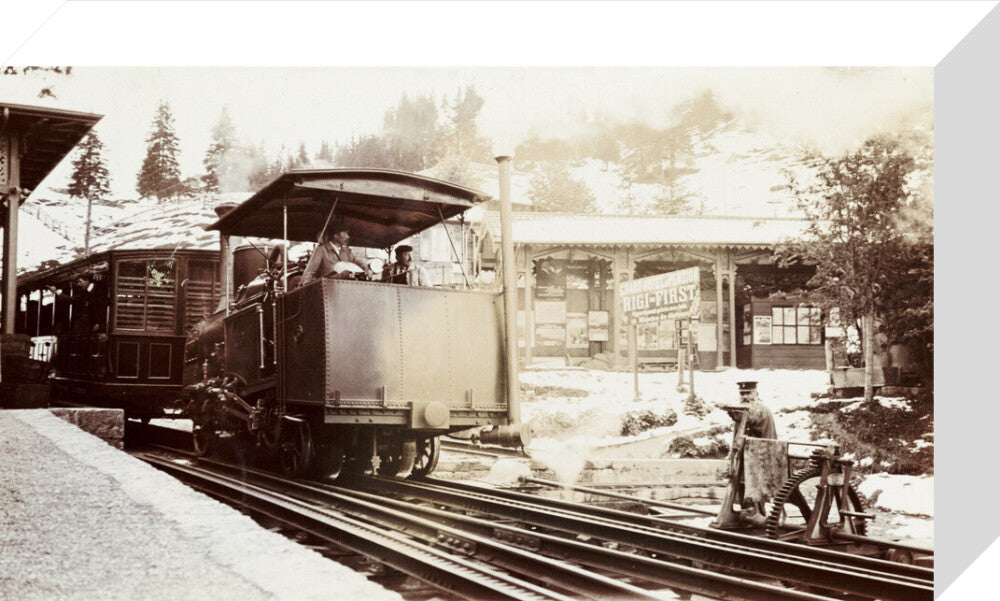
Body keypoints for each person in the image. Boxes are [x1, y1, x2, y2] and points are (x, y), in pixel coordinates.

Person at [299, 226, 369, 286]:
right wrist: (306, 287)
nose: (348, 236)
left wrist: (366, 268)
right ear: (335, 235)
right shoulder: (321, 250)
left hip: (345, 289)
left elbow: (357, 260)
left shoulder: (346, 251)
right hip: (328, 290)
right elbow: (309, 272)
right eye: (344, 233)